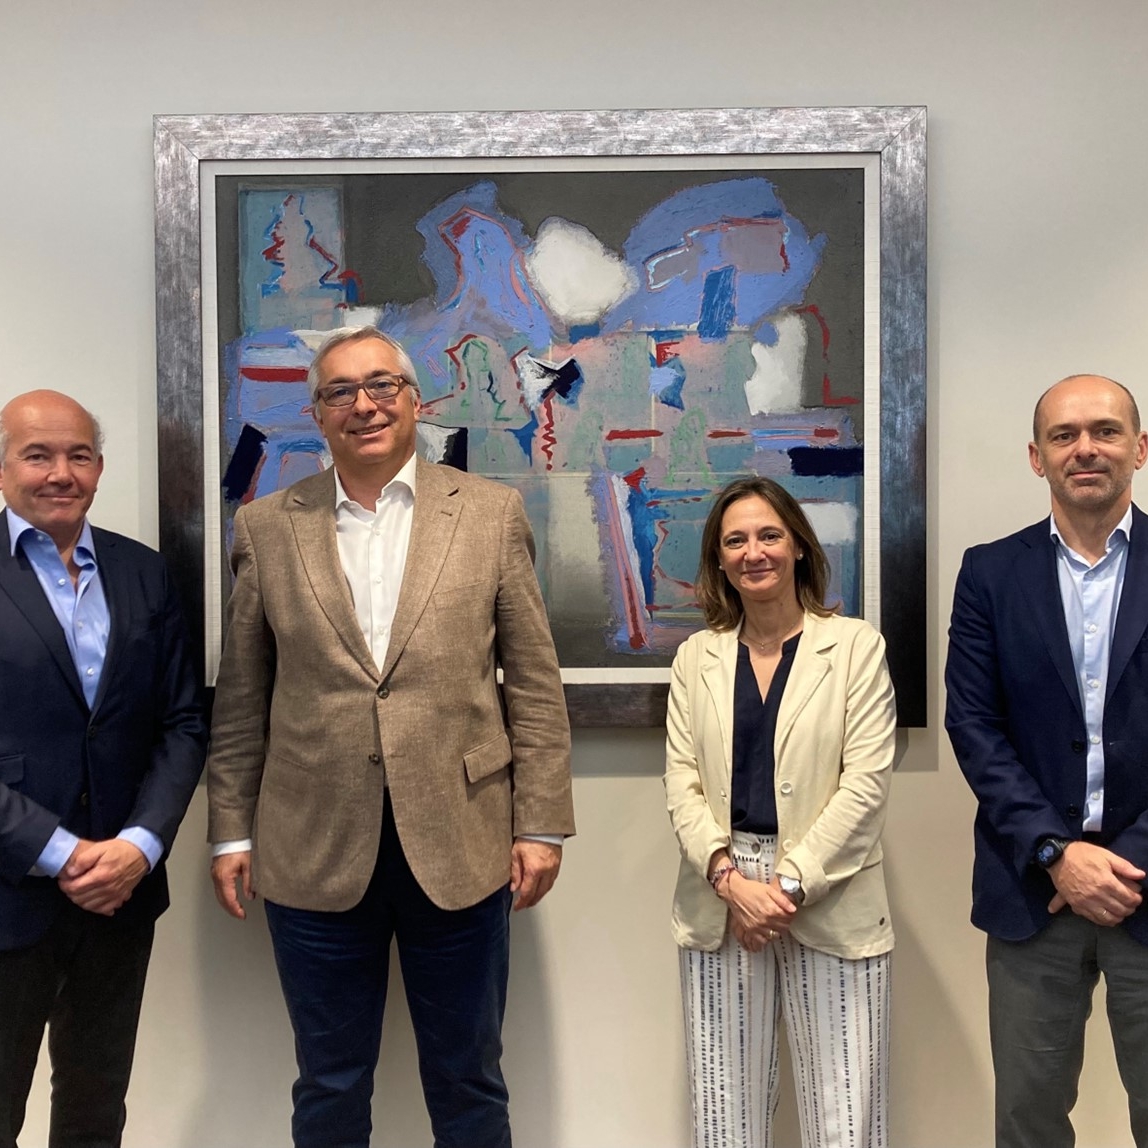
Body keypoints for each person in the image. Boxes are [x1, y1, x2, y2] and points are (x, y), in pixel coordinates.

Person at [206, 325, 575, 1148]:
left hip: (463, 841)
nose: (364, 405)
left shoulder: (489, 514)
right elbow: (242, 698)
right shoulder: (266, 528)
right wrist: (230, 829)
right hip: (310, 845)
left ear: (413, 401)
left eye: (381, 385)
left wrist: (541, 823)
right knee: (329, 1083)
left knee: (469, 1081)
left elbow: (534, 683)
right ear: (317, 413)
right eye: (340, 391)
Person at [946, 373, 1148, 1148]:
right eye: (1065, 435)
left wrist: (1125, 861)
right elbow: (974, 726)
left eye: (1105, 431)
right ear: (1037, 457)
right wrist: (1058, 853)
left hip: (1147, 886)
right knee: (1028, 1122)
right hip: (1033, 892)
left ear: (1139, 449)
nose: (1085, 449)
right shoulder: (990, 574)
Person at [664, 475, 896, 1148]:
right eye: (735, 541)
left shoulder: (855, 647)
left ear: (798, 546)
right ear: (718, 559)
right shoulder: (695, 658)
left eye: (769, 535)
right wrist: (730, 881)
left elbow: (867, 785)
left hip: (830, 889)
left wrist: (786, 888)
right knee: (724, 1119)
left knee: (846, 1119)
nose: (753, 552)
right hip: (722, 893)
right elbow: (681, 782)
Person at [0, 390, 206, 1148]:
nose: (61, 472)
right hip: (10, 889)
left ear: (99, 467)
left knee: (96, 1109)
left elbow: (183, 723)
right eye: (38, 454)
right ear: (2, 468)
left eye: (78, 455)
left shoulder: (143, 573)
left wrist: (139, 847)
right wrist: (62, 853)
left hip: (121, 894)